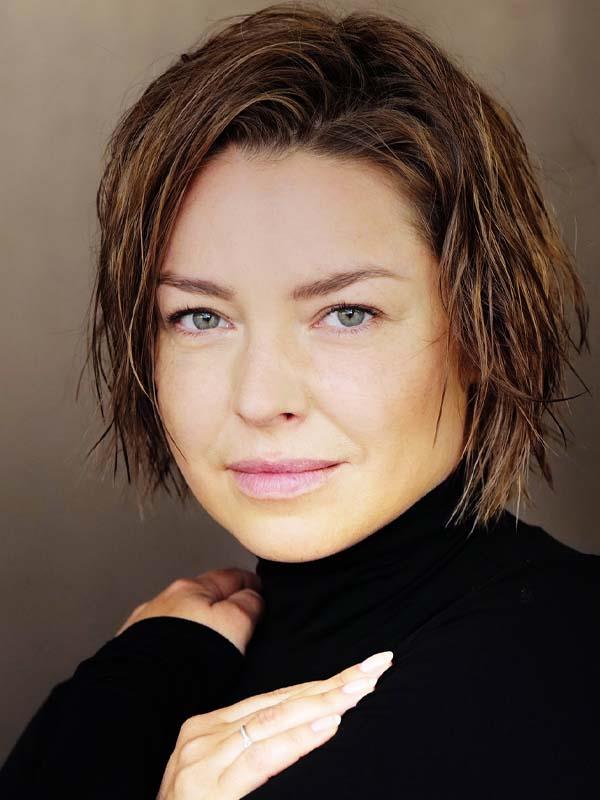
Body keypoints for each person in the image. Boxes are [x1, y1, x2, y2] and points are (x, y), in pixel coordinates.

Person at [1, 2, 598, 798]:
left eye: (346, 314)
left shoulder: (552, 682)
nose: (260, 397)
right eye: (200, 316)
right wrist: (124, 695)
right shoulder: (151, 680)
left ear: (484, 328)